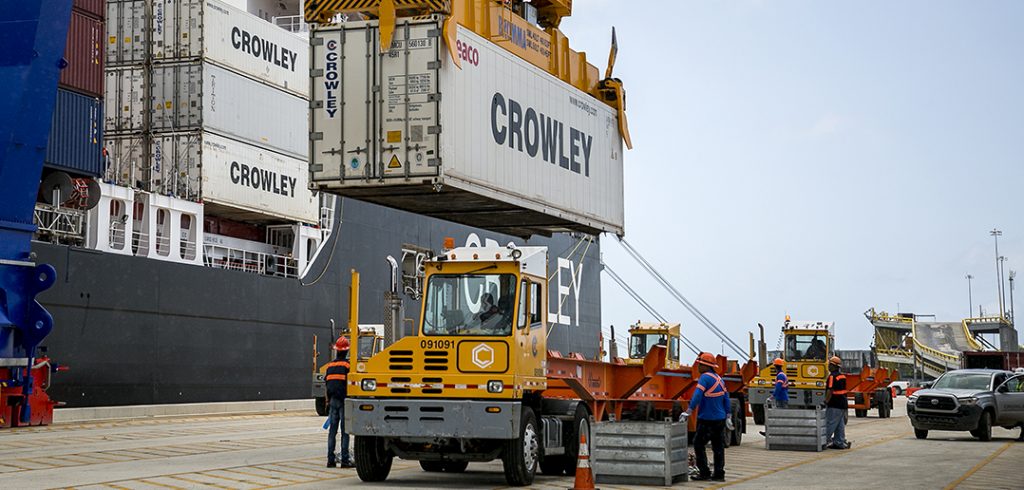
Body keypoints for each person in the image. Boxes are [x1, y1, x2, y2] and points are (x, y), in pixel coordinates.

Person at [686, 352, 730, 482]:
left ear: (706, 366)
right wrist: (728, 415)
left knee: (698, 444)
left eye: (700, 364)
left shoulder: (705, 377)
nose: (698, 367)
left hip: (707, 418)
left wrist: (689, 410)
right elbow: (726, 398)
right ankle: (719, 474)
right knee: (718, 447)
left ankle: (704, 472)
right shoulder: (719, 378)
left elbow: (697, 395)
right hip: (720, 419)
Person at [325, 336, 353, 467]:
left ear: (337, 350)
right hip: (344, 401)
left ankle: (330, 460)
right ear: (346, 351)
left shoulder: (330, 366)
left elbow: (327, 385)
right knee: (345, 431)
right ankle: (345, 460)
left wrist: (327, 401)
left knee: (332, 431)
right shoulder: (348, 366)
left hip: (333, 402)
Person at [825, 355, 850, 449]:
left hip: (834, 404)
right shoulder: (842, 376)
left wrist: (825, 401)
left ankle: (823, 441)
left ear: (833, 366)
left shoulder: (832, 377)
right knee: (840, 424)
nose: (828, 366)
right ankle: (839, 442)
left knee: (830, 423)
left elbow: (830, 391)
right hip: (843, 403)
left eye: (829, 364)